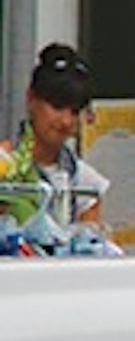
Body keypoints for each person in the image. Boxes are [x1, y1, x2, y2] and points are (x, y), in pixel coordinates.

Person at [6, 43, 117, 256]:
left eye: (74, 111)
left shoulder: (86, 181)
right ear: (31, 98)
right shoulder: (5, 163)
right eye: (57, 106)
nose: (65, 121)